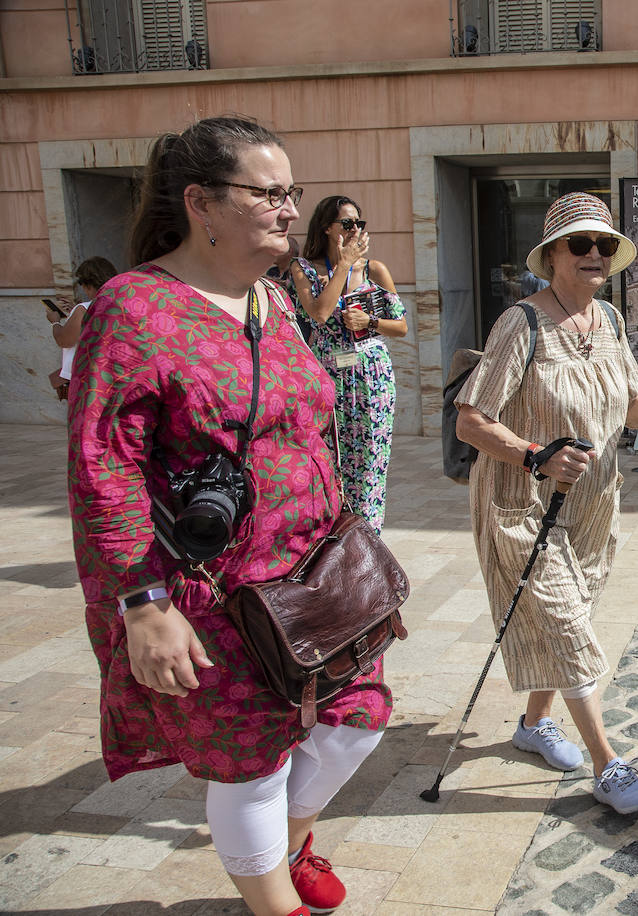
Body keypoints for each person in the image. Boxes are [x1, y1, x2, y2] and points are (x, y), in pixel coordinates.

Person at [67, 116, 388, 916]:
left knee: (357, 722)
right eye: (269, 193)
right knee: (252, 761)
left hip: (315, 574)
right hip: (211, 590)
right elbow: (102, 469)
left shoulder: (273, 301)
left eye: (292, 193)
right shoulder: (136, 307)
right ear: (201, 203)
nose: (289, 209)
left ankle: (288, 846)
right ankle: (273, 902)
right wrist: (141, 605)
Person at [455, 192, 638, 814]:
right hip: (521, 504)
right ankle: (606, 764)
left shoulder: (611, 322)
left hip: (592, 503)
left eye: (605, 245)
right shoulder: (523, 323)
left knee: (568, 620)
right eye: (581, 244)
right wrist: (535, 454)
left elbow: (630, 412)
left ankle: (534, 727)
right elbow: (471, 422)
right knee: (567, 626)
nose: (595, 255)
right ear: (553, 256)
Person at [290, 196, 407, 534]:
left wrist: (369, 321)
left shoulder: (375, 270)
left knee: (370, 463)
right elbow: (321, 313)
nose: (355, 229)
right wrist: (344, 264)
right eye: (347, 223)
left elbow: (400, 326)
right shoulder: (304, 268)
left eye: (359, 223)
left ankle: (368, 544)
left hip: (372, 378)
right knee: (329, 462)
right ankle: (331, 541)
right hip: (327, 375)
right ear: (327, 227)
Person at [47, 256, 117, 402]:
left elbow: (64, 340)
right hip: (113, 376)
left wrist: (55, 322)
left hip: (87, 380)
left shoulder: (84, 309)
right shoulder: (120, 304)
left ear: (88, 285)